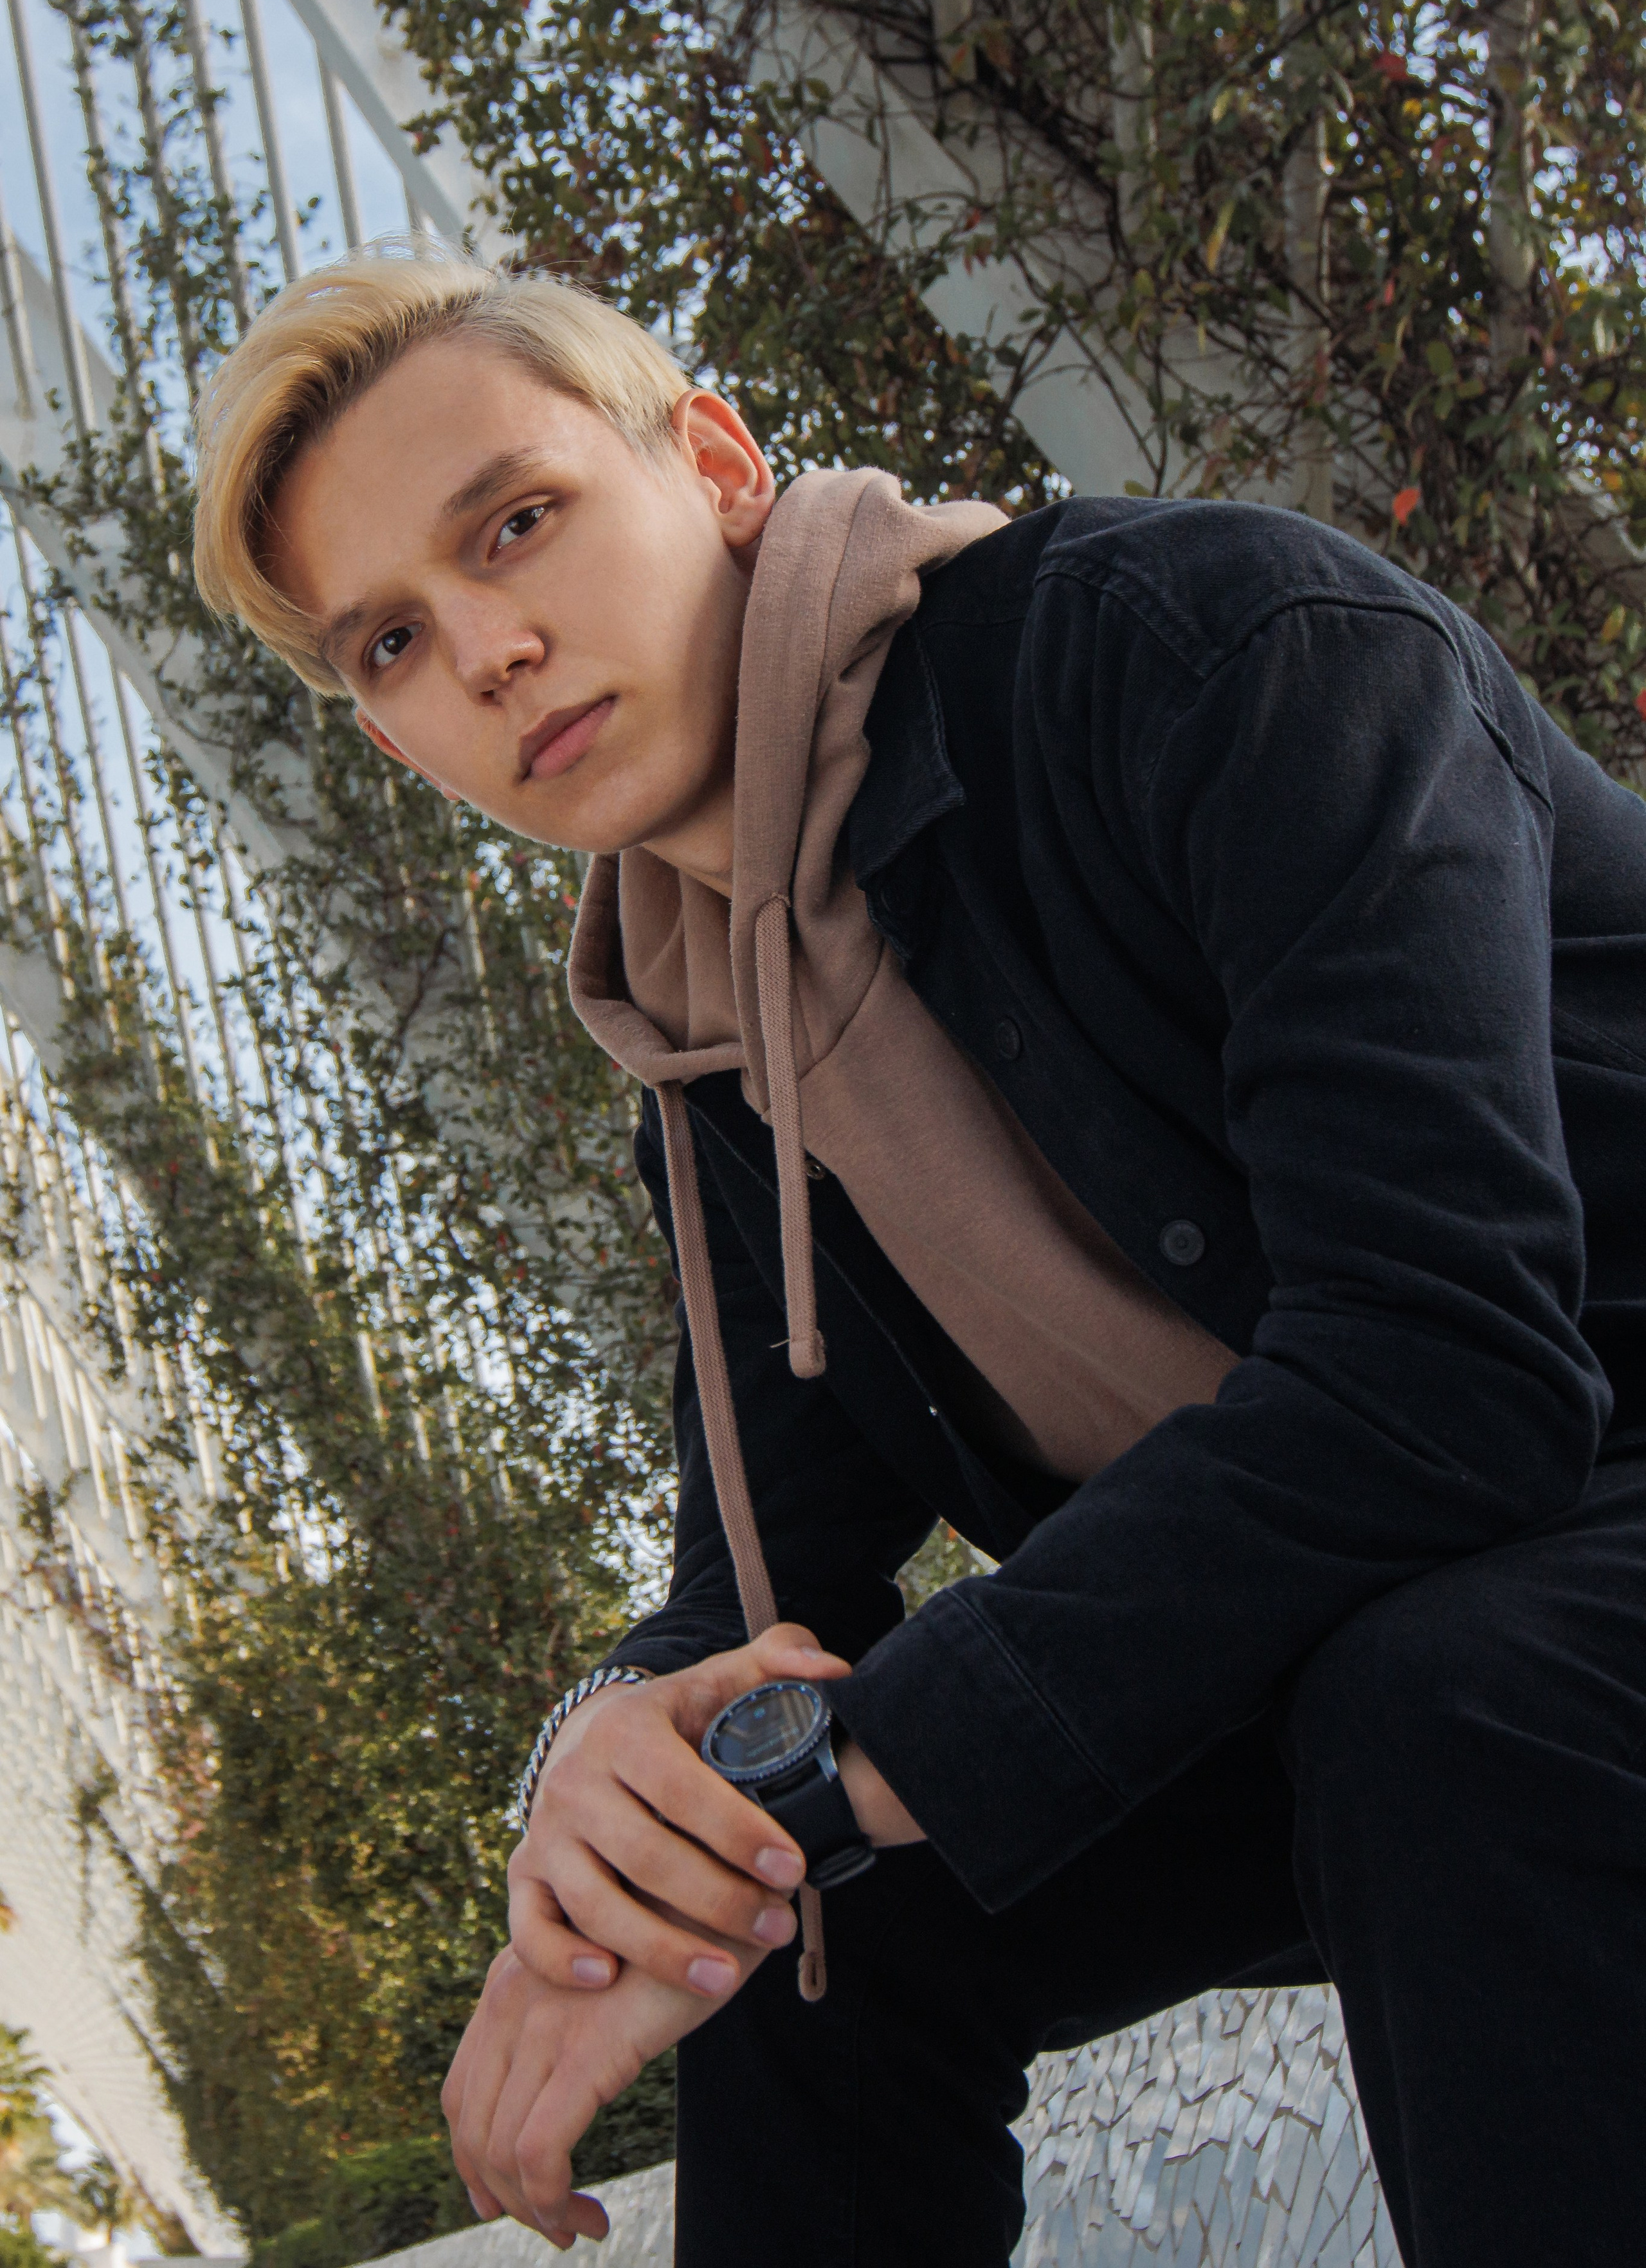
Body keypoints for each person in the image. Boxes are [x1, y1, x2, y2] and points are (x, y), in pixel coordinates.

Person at [192, 235, 1646, 2268]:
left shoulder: (1207, 652)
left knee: (1440, 1701)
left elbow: (1454, 1369)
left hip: (1547, 1556)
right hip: (1371, 1650)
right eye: (392, 645)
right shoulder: (702, 1050)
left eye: (516, 525)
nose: (488, 648)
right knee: (806, 1928)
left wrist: (830, 1765)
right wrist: (620, 1782)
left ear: (709, 461)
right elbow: (761, 1587)